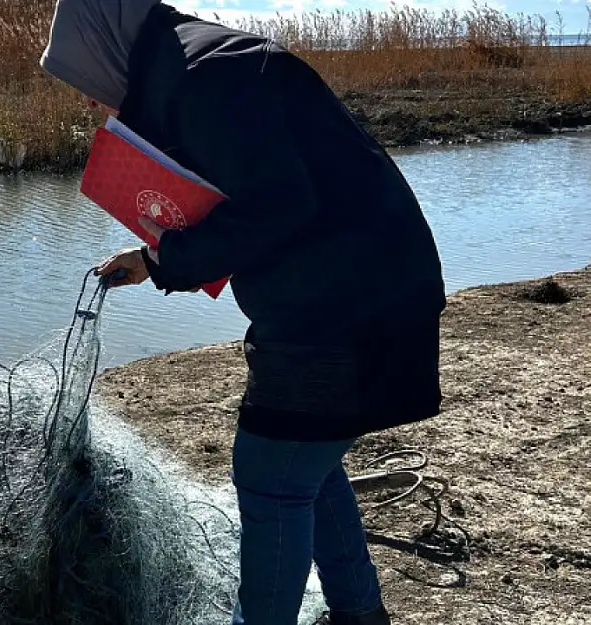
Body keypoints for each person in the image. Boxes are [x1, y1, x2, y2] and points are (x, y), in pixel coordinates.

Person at [40, 1, 446, 624]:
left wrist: (169, 260)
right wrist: (157, 258)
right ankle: (361, 616)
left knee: (272, 474)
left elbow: (276, 206)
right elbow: (258, 196)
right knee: (308, 461)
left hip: (346, 307)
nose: (93, 100)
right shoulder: (194, 66)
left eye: (85, 79)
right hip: (360, 289)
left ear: (104, 44)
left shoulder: (207, 79)